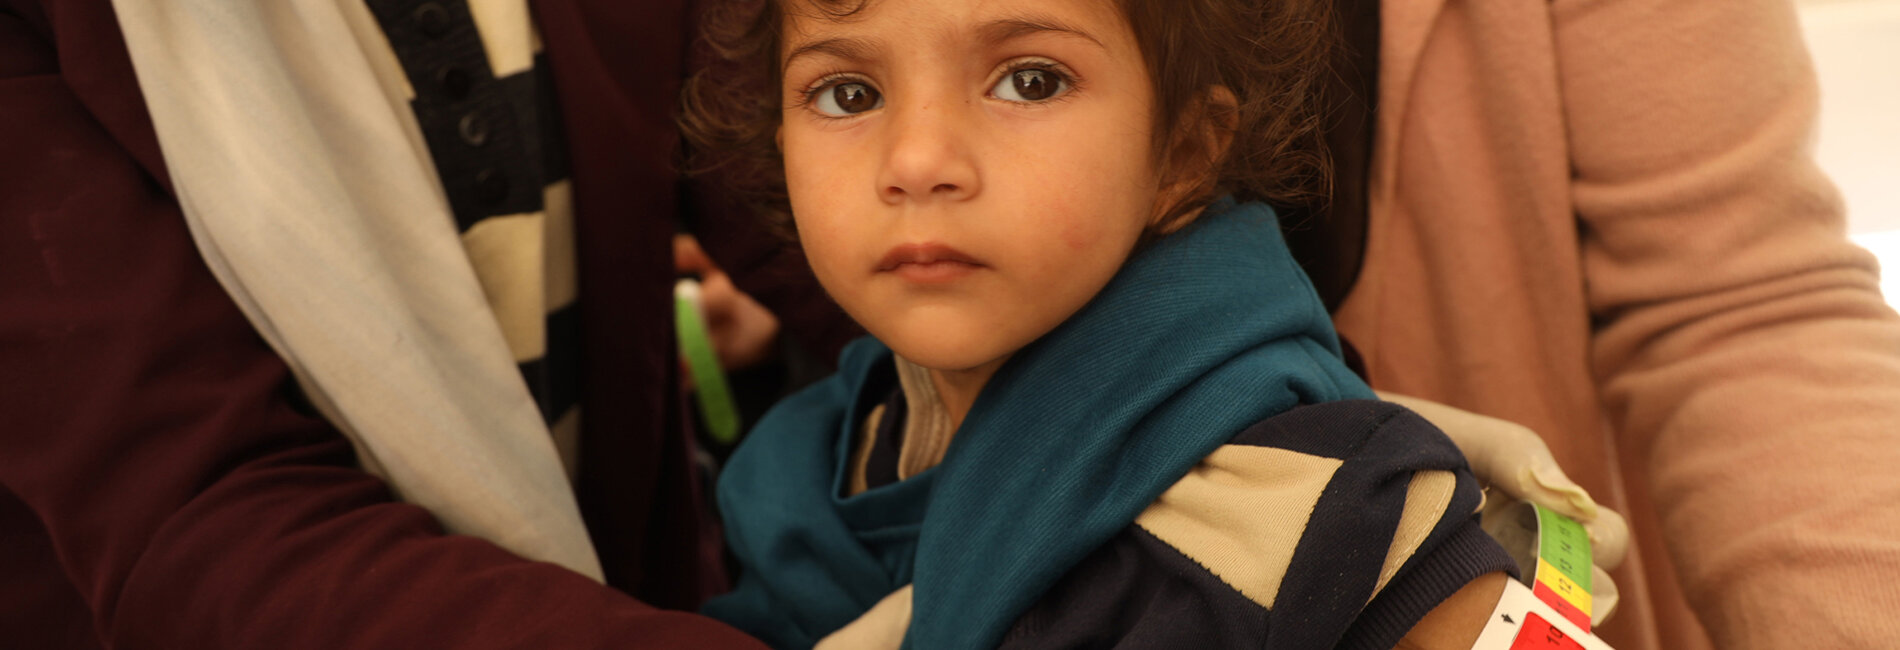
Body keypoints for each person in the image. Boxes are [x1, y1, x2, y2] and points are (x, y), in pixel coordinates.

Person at [679, 0, 1534, 647]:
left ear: (1184, 153)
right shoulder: (813, 467)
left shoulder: (1309, 496)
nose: (915, 160)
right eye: (848, 91)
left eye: (1030, 80)